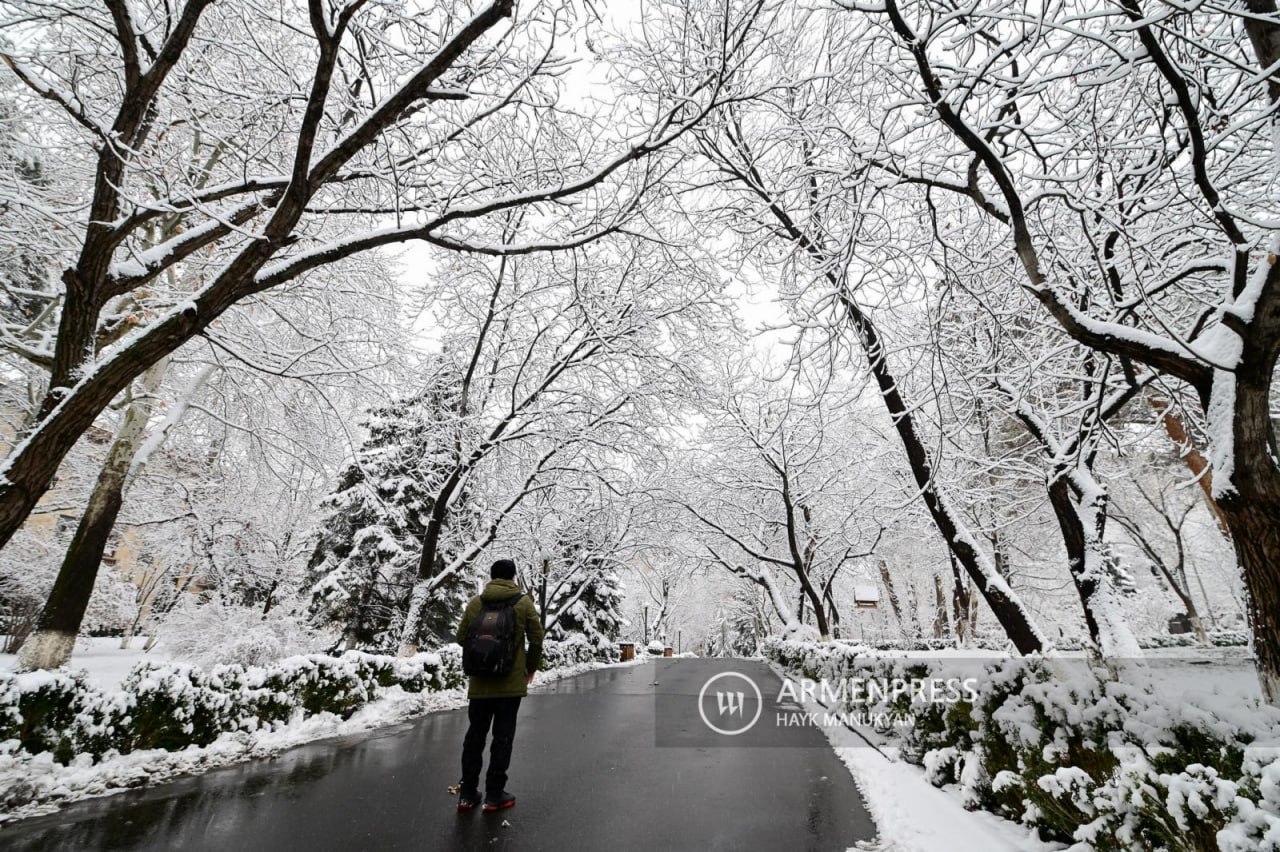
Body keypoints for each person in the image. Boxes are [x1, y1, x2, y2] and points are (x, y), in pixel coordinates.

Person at [454, 558, 544, 813]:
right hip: (509, 684)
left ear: (492, 577)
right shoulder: (523, 603)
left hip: (481, 684)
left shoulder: (476, 603)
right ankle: (494, 795)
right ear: (513, 577)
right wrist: (530, 667)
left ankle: (468, 794)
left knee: (475, 737)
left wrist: (484, 654)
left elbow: (462, 637)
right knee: (502, 738)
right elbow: (537, 639)